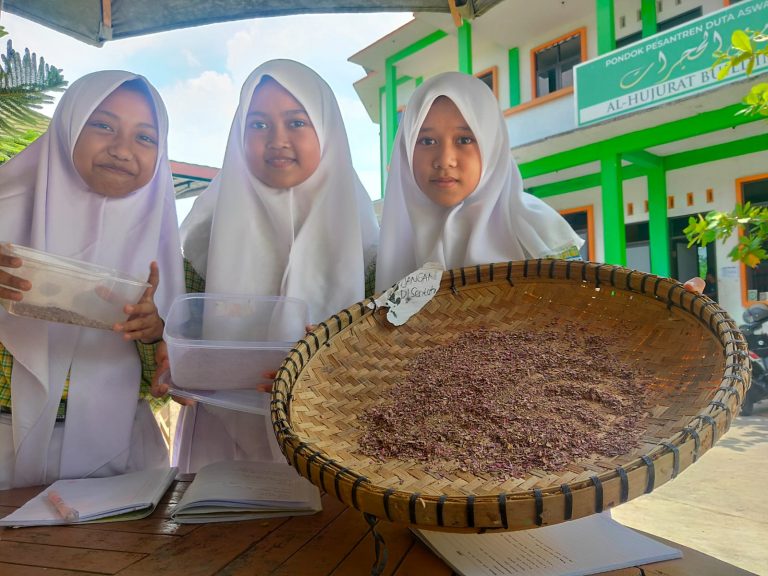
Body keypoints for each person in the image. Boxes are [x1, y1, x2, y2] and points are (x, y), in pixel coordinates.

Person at [163, 59, 379, 473]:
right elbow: (175, 331)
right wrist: (171, 364)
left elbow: (383, 347)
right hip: (221, 439)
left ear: (328, 132)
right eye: (258, 125)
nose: (277, 140)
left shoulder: (367, 243)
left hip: (333, 444)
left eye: (297, 123)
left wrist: (339, 353)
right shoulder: (201, 238)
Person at [0, 71, 185, 489]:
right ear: (68, 127)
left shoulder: (167, 250)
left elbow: (170, 382)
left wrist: (156, 333)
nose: (122, 150)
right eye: (102, 125)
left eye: (145, 137)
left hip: (119, 455)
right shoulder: (4, 209)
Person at [375, 72, 584, 291]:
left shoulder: (537, 234)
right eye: (427, 141)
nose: (445, 160)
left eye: (464, 139)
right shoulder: (392, 246)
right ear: (406, 150)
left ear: (492, 144)